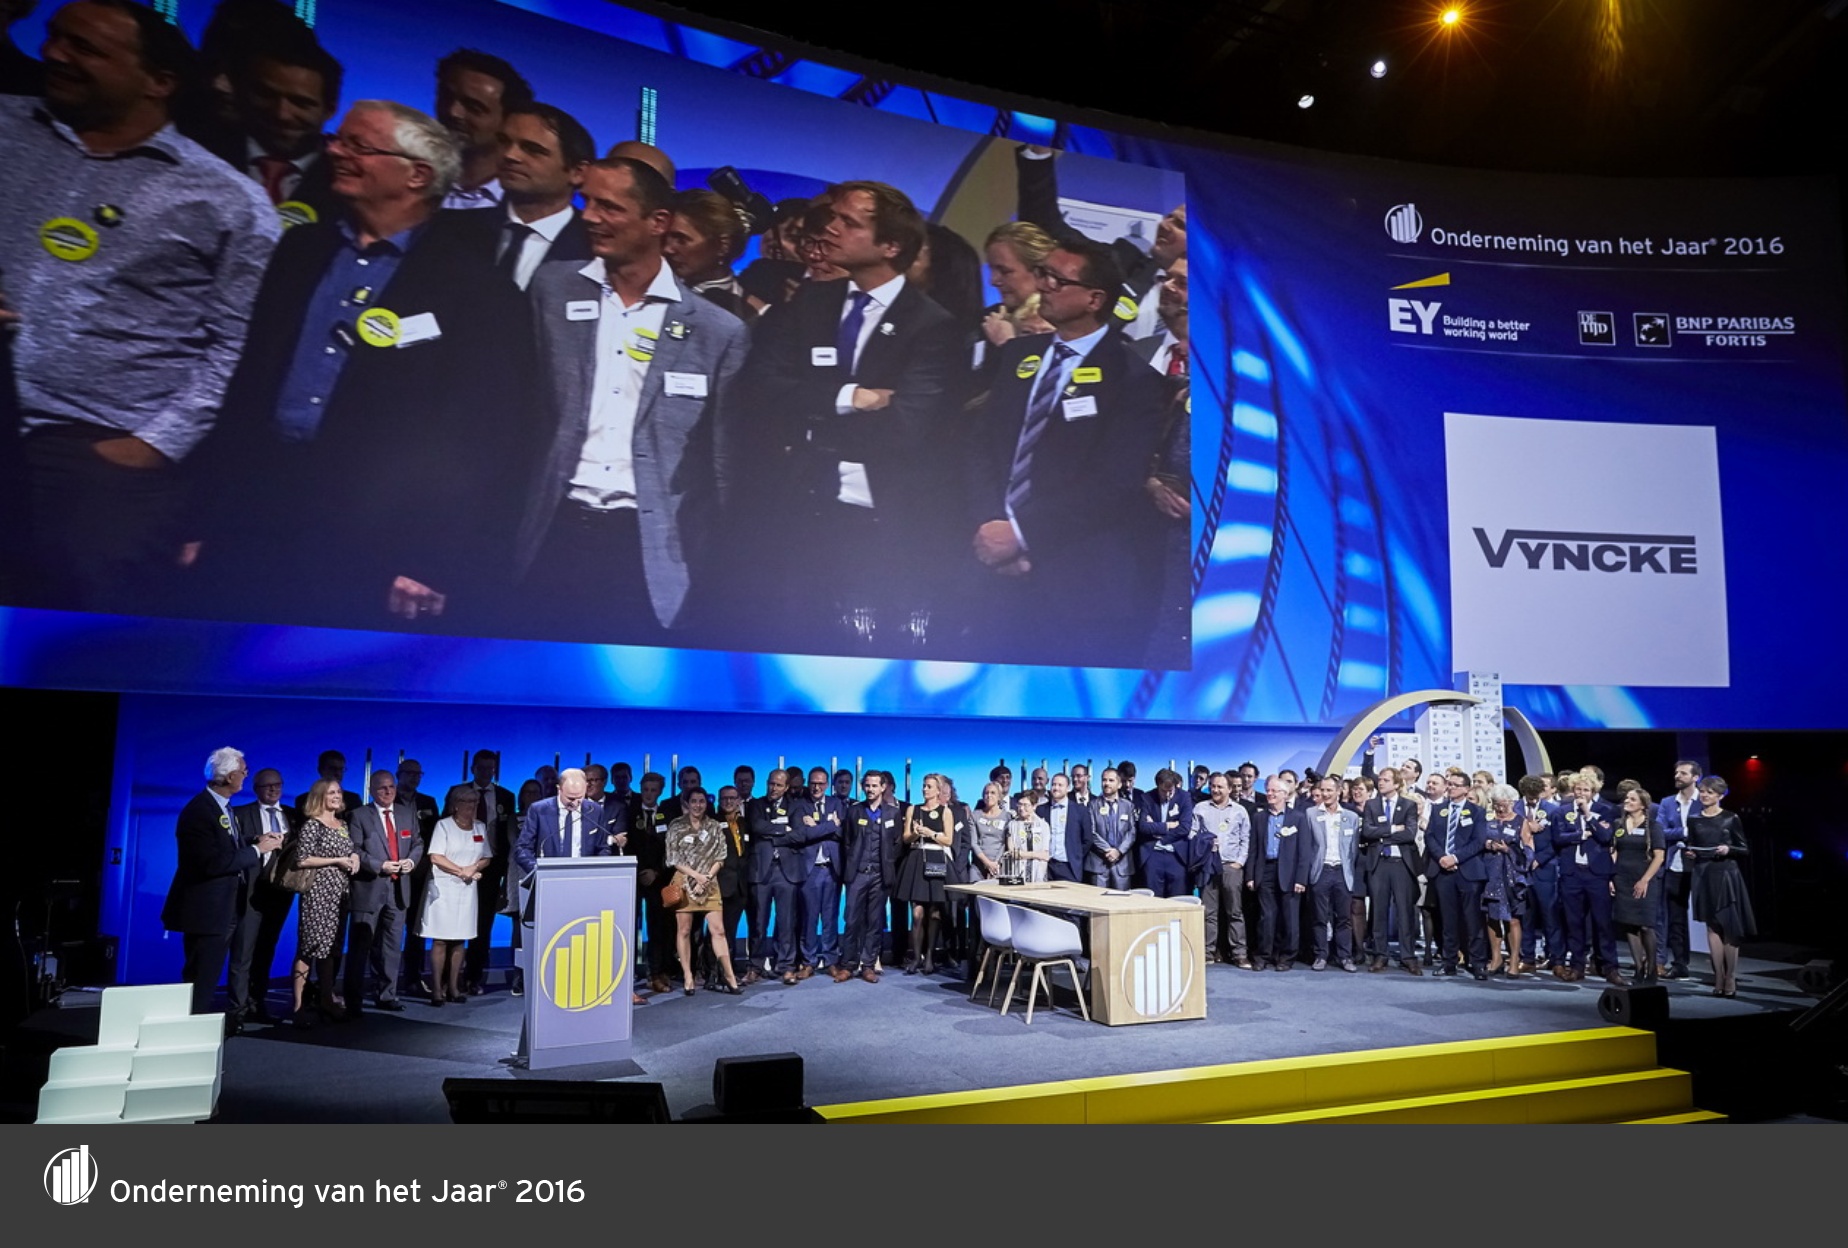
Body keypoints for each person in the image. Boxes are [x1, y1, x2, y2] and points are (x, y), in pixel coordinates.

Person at [195, 97, 530, 630]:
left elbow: (475, 436)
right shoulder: (301, 249)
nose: (335, 152)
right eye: (338, 140)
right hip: (256, 508)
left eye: (359, 146)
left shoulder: (475, 287)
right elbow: (249, 382)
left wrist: (429, 555)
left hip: (371, 530)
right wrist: (202, 512)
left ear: (417, 175)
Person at [1, 0, 279, 616]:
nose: (54, 54)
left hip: (94, 452)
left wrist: (154, 444)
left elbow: (241, 344)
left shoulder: (226, 199)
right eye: (55, 37)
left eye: (86, 49)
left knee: (67, 639)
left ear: (159, 81)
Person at [509, 156, 749, 644]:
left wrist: (718, 570)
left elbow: (722, 463)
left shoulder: (718, 330)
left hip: (646, 545)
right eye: (587, 202)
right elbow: (517, 409)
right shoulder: (552, 289)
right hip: (552, 526)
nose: (590, 216)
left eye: (609, 207)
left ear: (657, 222)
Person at [740, 180, 963, 650]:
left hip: (875, 519)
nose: (831, 229)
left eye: (849, 222)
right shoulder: (808, 302)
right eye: (832, 218)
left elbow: (907, 426)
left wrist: (812, 413)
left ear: (890, 245)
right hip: (795, 501)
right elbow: (761, 387)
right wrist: (853, 398)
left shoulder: (932, 326)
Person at [966, 239, 1172, 666]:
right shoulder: (1019, 355)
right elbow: (982, 447)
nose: (1044, 286)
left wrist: (1021, 533)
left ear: (1094, 299)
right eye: (1043, 274)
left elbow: (1116, 482)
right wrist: (992, 525)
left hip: (1076, 577)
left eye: (1058, 280)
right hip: (990, 562)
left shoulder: (1133, 378)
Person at [161, 747, 281, 1020]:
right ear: (229, 776)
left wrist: (253, 839)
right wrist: (257, 851)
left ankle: (203, 1024)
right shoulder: (199, 811)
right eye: (243, 771)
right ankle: (190, 1029)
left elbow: (225, 843)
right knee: (201, 979)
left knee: (211, 975)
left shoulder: (222, 806)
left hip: (226, 908)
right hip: (207, 911)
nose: (246, 775)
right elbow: (210, 862)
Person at [207, 15, 341, 226]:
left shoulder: (347, 179)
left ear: (330, 110)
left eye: (300, 103)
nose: (281, 114)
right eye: (266, 95)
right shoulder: (204, 152)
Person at [458, 101, 593, 290]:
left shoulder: (598, 248)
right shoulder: (449, 229)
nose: (510, 155)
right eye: (504, 142)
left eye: (532, 150)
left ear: (577, 172)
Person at [344, 767, 422, 1014]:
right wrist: (380, 866)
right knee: (360, 947)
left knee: (391, 946)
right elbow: (354, 850)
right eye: (382, 788)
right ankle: (353, 999)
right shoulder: (359, 815)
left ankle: (387, 994)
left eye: (391, 787)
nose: (388, 792)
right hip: (369, 889)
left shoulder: (406, 813)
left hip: (398, 890)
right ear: (371, 790)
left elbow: (418, 843)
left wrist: (411, 861)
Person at [226, 767, 299, 1025]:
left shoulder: (293, 815)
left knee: (267, 949)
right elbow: (231, 844)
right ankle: (237, 1009)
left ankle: (257, 1003)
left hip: (280, 892)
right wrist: (256, 840)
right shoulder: (240, 814)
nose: (273, 789)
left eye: (277, 784)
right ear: (256, 789)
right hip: (250, 890)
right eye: (268, 785)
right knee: (243, 951)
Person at [289, 777, 358, 1027]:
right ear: (320, 796)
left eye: (338, 792)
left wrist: (353, 856)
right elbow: (302, 859)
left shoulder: (342, 824)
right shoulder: (313, 825)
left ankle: (326, 1000)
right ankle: (298, 1006)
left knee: (330, 948)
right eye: (331, 793)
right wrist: (336, 861)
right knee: (309, 947)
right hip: (318, 893)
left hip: (340, 893)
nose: (337, 796)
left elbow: (348, 849)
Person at [663, 787, 743, 994]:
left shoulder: (714, 826)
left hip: (710, 883)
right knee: (684, 930)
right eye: (694, 801)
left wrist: (706, 878)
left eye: (701, 801)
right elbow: (673, 858)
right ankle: (688, 977)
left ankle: (729, 976)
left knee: (719, 930)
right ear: (687, 803)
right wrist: (695, 876)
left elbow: (721, 857)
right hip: (684, 883)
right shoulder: (676, 825)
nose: (698, 805)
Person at [433, 46, 530, 210]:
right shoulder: (407, 180)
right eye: (446, 98)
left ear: (508, 122)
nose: (453, 112)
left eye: (474, 108)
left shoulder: (525, 205)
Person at [421, 784, 490, 1005]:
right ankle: (436, 990)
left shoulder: (480, 828)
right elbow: (436, 857)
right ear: (456, 805)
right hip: (444, 889)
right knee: (441, 940)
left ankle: (454, 988)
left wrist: (474, 868)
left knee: (460, 940)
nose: (472, 806)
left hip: (466, 890)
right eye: (467, 802)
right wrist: (462, 871)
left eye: (475, 802)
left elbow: (486, 857)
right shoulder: (444, 826)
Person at [1685, 775, 1754, 997]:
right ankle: (1718, 977)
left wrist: (1728, 849)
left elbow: (1744, 848)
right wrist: (1690, 852)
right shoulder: (1694, 819)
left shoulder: (1730, 818)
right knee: (1712, 926)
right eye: (1703, 791)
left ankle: (1730, 976)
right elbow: (1691, 844)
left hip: (1725, 875)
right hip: (1703, 874)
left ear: (1720, 796)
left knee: (1729, 928)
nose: (1705, 795)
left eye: (1710, 792)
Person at [1555, 769, 1625, 985]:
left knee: (1602, 922)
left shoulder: (1606, 810)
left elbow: (1605, 837)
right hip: (1572, 873)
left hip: (1597, 873)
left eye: (1585, 790)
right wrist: (1579, 835)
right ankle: (1577, 966)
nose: (1581, 793)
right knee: (1574, 922)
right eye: (1578, 789)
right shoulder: (1562, 811)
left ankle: (1610, 967)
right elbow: (1558, 838)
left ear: (1593, 791)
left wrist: (1587, 815)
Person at [1425, 769, 1492, 980]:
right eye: (1449, 784)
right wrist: (1442, 858)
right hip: (1443, 871)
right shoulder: (1439, 810)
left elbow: (1478, 841)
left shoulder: (1476, 812)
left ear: (1466, 789)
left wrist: (1455, 858)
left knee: (1473, 920)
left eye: (1455, 785)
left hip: (1468, 871)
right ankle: (1449, 962)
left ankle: (1478, 963)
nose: (1451, 788)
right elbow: (1430, 837)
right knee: (1448, 920)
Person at [834, 771, 900, 983]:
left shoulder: (892, 813)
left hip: (880, 875)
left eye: (874, 786)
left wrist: (887, 862)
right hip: (858, 875)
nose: (870, 789)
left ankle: (868, 965)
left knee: (874, 922)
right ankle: (848, 965)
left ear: (883, 787)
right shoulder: (854, 811)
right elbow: (846, 842)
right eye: (867, 786)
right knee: (851, 920)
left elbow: (897, 843)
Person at [463, 749, 516, 995]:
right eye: (481, 768)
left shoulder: (506, 796)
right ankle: (449, 977)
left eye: (490, 768)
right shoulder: (459, 792)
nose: (486, 772)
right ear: (473, 769)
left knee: (483, 924)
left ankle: (474, 977)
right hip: (460, 869)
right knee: (458, 922)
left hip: (492, 869)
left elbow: (508, 836)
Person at [1361, 766, 1423, 974]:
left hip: (1401, 864)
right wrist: (1392, 829)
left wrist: (1381, 837)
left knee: (1405, 912)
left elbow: (1409, 834)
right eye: (1380, 779)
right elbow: (1367, 832)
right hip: (1379, 863)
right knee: (1379, 911)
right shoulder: (1371, 805)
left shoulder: (1408, 805)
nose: (1381, 782)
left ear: (1396, 784)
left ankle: (1408, 956)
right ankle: (1380, 955)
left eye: (1386, 780)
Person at [789, 765, 847, 976]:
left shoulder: (836, 803)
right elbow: (803, 835)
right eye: (813, 783)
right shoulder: (799, 805)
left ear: (827, 785)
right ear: (808, 783)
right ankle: (809, 962)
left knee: (830, 918)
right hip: (810, 869)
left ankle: (831, 960)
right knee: (809, 918)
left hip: (832, 869)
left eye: (821, 783)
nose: (816, 787)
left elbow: (843, 833)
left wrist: (817, 827)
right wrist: (830, 825)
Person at [896, 772, 956, 974]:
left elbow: (948, 840)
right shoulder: (913, 809)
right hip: (917, 860)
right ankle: (916, 956)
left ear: (938, 791)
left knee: (934, 912)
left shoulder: (945, 811)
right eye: (924, 785)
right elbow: (906, 837)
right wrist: (916, 833)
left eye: (929, 786)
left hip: (937, 860)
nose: (925, 789)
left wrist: (931, 833)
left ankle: (930, 957)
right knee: (917, 913)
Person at [1249, 776, 1310, 971]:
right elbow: (1253, 849)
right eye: (1268, 790)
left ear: (1285, 794)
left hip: (1290, 873)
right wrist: (1250, 876)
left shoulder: (1298, 818)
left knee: (1289, 918)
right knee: (1266, 917)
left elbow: (1304, 851)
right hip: (1265, 870)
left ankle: (1286, 957)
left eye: (1274, 791)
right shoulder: (1259, 818)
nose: (1270, 794)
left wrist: (1301, 879)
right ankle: (1263, 956)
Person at [664, 187, 752, 319]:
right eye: (664, 239)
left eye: (681, 240)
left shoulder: (750, 313)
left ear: (723, 246)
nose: (667, 249)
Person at [1194, 772, 1252, 966]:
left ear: (1229, 789)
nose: (1216, 790)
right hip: (1208, 867)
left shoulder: (1239, 811)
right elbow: (1192, 834)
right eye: (1213, 786)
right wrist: (1203, 844)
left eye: (1220, 787)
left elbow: (1246, 839)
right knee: (1208, 913)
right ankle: (1208, 952)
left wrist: (1240, 862)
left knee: (1234, 912)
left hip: (1230, 866)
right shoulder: (1200, 808)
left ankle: (1239, 953)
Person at [1611, 785, 1666, 984]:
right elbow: (1614, 851)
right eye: (1626, 799)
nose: (1627, 801)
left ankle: (1651, 969)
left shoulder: (1653, 827)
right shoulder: (1618, 824)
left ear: (1643, 805)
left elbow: (1659, 856)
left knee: (1645, 926)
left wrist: (1644, 880)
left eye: (1632, 799)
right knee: (1629, 925)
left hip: (1645, 880)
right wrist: (1611, 877)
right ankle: (1638, 968)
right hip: (1622, 879)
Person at [1305, 777, 1361, 971]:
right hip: (1321, 871)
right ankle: (1321, 955)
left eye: (1330, 790)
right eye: (1323, 790)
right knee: (1319, 917)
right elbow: (1307, 846)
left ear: (1339, 792)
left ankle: (1345, 956)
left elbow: (1354, 849)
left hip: (1342, 872)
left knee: (1344, 918)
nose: (1326, 794)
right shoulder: (1311, 814)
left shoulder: (1351, 817)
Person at [1655, 760, 1701, 979]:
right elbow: (1660, 831)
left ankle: (1723, 967)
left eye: (1683, 773)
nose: (1677, 776)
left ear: (1695, 777)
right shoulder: (1667, 803)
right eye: (1676, 772)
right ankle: (1680, 963)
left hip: (1701, 866)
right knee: (1676, 917)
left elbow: (1709, 829)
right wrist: (1684, 832)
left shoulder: (1704, 800)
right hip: (1675, 865)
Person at [1480, 785, 1532, 978]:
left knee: (1513, 918)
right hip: (1490, 872)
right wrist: (1488, 844)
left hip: (1512, 875)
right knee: (1492, 916)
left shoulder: (1520, 821)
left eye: (1503, 805)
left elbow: (1529, 849)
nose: (1500, 809)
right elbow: (1477, 841)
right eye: (1496, 804)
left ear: (1512, 803)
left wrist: (1508, 850)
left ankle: (1515, 960)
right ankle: (1496, 958)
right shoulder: (1487, 820)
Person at [1136, 768, 1196, 897]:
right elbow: (1143, 827)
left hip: (1177, 855)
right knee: (1153, 898)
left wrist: (1162, 837)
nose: (1168, 795)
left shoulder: (1184, 797)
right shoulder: (1147, 798)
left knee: (1177, 898)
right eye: (1164, 791)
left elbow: (1185, 828)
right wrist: (1168, 826)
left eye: (1171, 791)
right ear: (1157, 786)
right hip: (1153, 854)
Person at [1087, 766, 1138, 888]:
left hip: (1122, 865)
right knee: (1097, 899)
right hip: (1099, 864)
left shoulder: (1128, 806)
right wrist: (1108, 850)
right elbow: (1091, 832)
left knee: (1121, 899)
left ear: (1119, 784)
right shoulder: (1092, 805)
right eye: (1104, 780)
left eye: (1111, 780)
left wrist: (1119, 851)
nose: (1107, 783)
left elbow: (1132, 832)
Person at [1037, 771, 1092, 883]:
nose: (1056, 788)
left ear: (1068, 788)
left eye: (1060, 785)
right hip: (1046, 865)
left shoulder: (1080, 810)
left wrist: (1076, 855)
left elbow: (1087, 839)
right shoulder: (1041, 810)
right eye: (1053, 784)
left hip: (1069, 865)